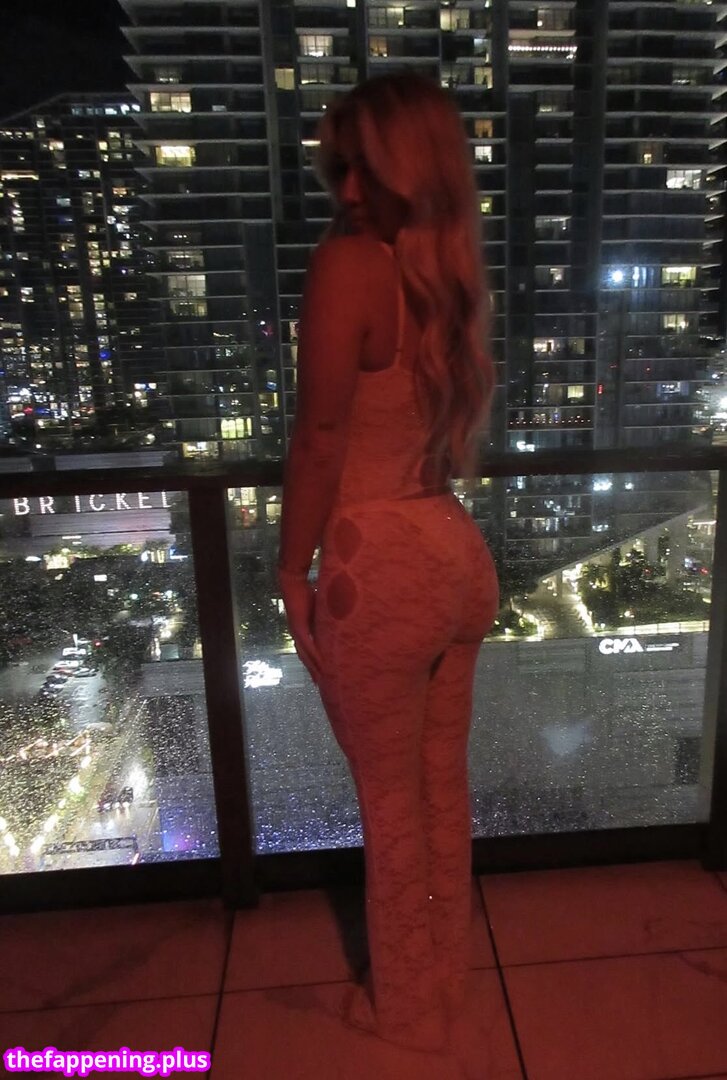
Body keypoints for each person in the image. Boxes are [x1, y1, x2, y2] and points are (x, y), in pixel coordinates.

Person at [276, 72, 500, 1056]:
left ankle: (406, 1012)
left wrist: (290, 569)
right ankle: (444, 976)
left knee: (393, 804)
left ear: (405, 168)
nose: (347, 190)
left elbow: (321, 436)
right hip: (452, 553)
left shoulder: (346, 266)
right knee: (441, 785)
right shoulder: (446, 272)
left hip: (378, 568)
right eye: (339, 168)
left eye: (363, 167)